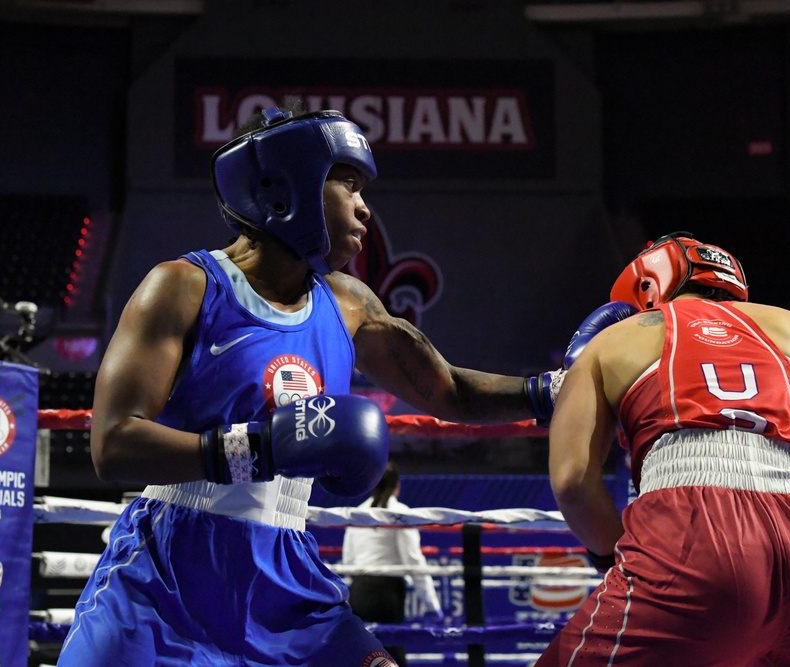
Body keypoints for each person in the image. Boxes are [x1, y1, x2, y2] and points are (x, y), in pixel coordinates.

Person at [55, 106, 634, 666]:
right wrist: (260, 449)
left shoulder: (349, 303)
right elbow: (112, 444)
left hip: (287, 577)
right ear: (289, 185)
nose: (364, 210)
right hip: (169, 576)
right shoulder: (183, 287)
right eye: (349, 186)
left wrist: (561, 389)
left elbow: (448, 391)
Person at [536, 232, 790, 666]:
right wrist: (785, 495)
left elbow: (572, 481)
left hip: (691, 539)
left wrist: (613, 551)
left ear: (646, 288)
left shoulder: (616, 339)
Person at [341, 462, 442, 667]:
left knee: (362, 656)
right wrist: (432, 604)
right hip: (388, 595)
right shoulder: (400, 513)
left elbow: (348, 561)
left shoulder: (359, 513)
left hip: (359, 591)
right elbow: (413, 561)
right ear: (397, 485)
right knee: (392, 656)